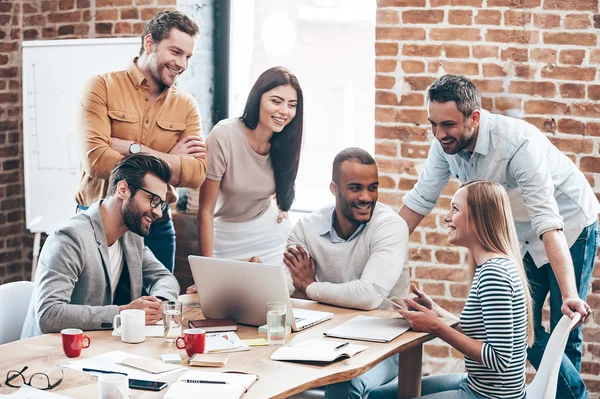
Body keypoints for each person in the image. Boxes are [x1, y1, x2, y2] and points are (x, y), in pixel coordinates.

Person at [399, 74, 597, 399]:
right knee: (515, 322)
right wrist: (379, 251)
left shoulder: (517, 145)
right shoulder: (445, 145)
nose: (438, 134)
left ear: (473, 118)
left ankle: (573, 396)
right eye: (432, 124)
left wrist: (570, 294)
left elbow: (549, 223)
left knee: (567, 324)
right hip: (521, 234)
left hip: (569, 227)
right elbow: (420, 200)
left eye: (447, 124)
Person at [371, 181, 534, 399]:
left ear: (479, 218)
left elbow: (499, 360)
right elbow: (479, 332)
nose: (447, 217)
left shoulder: (494, 274)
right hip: (476, 385)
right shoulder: (494, 266)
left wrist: (436, 326)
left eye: (455, 209)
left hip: (489, 396)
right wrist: (436, 310)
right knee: (378, 396)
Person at [76, 10, 207, 273]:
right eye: (176, 52)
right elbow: (97, 161)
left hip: (155, 225)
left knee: (158, 305)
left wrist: (135, 149)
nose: (182, 64)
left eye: (188, 56)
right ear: (150, 43)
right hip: (99, 221)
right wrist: (171, 159)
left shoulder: (186, 105)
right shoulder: (101, 87)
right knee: (98, 307)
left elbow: (197, 174)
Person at [283, 147, 410, 399]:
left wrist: (310, 288)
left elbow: (369, 295)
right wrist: (235, 288)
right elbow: (282, 284)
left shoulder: (391, 226)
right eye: (355, 188)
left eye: (372, 187)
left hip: (385, 343)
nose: (366, 197)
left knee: (346, 383)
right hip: (320, 337)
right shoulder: (306, 227)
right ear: (334, 189)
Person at [22, 154, 180, 339]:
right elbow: (49, 315)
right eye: (153, 200)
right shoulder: (70, 238)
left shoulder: (131, 237)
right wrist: (123, 313)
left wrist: (158, 303)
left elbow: (164, 278)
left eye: (161, 204)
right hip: (48, 354)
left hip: (94, 349)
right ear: (123, 189)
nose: (159, 212)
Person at [186, 66, 303, 294]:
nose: (284, 111)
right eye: (276, 101)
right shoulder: (225, 135)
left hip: (269, 237)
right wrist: (206, 273)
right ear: (258, 99)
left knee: (275, 296)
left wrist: (282, 209)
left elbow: (281, 189)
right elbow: (205, 211)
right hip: (226, 237)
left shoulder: (286, 141)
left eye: (292, 105)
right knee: (226, 298)